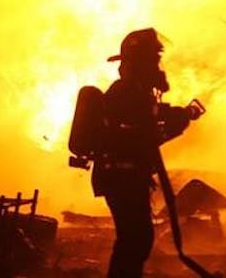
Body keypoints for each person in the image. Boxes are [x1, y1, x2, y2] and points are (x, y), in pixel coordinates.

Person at [91, 28, 203, 278]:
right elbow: (143, 129)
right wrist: (176, 119)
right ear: (139, 63)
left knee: (136, 240)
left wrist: (178, 116)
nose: (158, 66)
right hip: (121, 176)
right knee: (135, 240)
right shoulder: (125, 91)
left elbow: (149, 124)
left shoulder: (137, 93)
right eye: (152, 60)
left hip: (127, 175)